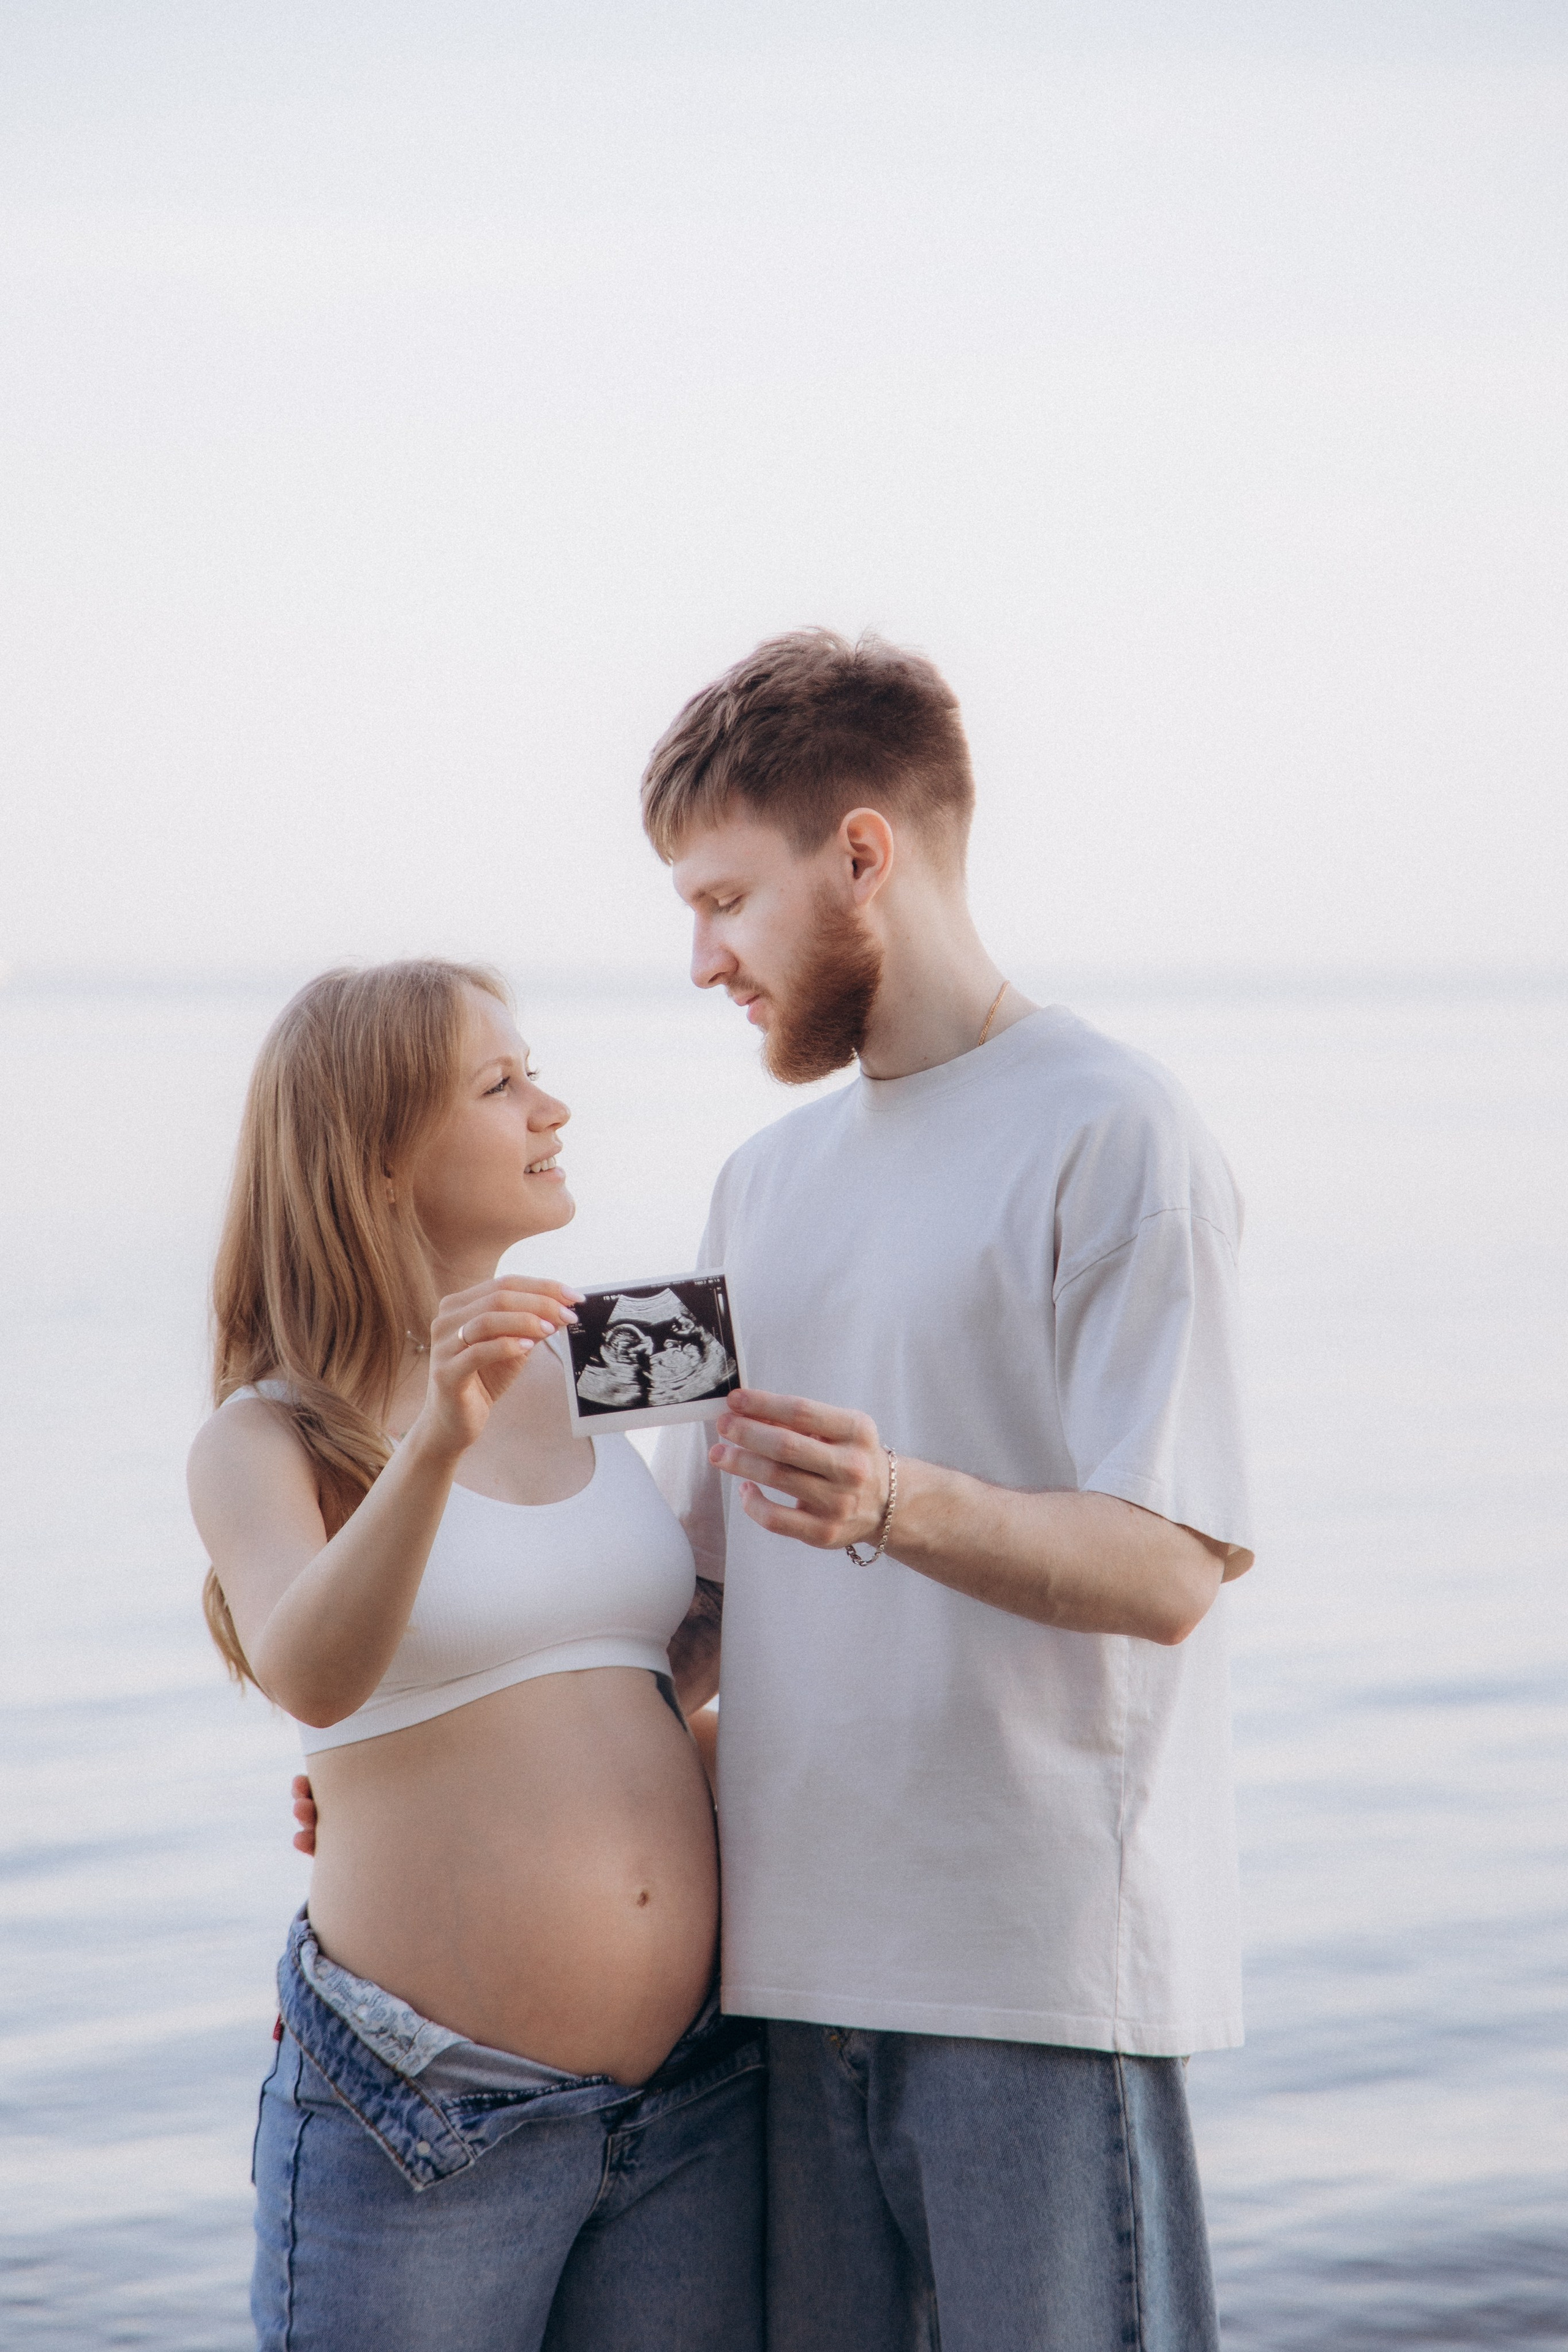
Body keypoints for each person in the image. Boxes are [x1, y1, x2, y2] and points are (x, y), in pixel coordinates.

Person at [642, 629, 1254, 2352]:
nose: (701, 960)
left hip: (1032, 1980)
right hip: (776, 1976)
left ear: (861, 854)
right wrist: (449, 1772)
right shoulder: (757, 1184)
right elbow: (693, 1603)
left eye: (725, 901)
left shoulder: (1113, 1129)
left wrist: (894, 1503)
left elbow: (1171, 1566)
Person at [187, 960, 763, 2352]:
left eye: (533, 1073)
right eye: (501, 1086)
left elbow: (844, 1348)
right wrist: (438, 1435)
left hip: (690, 2095)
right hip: (423, 2116)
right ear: (378, 1158)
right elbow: (312, 1674)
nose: (551, 1109)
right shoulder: (268, 1434)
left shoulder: (611, 1350)